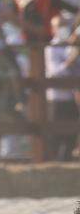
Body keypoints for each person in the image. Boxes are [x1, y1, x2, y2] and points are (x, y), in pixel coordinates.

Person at [45, 17, 80, 162]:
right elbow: (57, 72)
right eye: (60, 26)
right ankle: (54, 162)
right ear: (53, 29)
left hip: (71, 97)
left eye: (65, 25)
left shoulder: (70, 46)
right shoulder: (52, 47)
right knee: (56, 133)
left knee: (71, 132)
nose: (63, 28)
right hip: (56, 97)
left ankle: (66, 159)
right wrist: (72, 58)